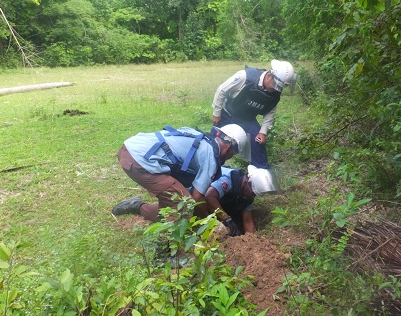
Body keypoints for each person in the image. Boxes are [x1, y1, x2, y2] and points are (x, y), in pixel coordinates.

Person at [112, 124, 250, 221]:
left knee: (173, 211)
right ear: (229, 147)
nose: (229, 157)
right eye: (233, 154)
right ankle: (166, 252)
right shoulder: (210, 157)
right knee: (184, 205)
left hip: (131, 148)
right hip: (139, 160)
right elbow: (197, 198)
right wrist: (208, 223)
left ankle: (137, 206)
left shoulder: (200, 137)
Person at [211, 59, 296, 168]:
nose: (276, 89)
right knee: (215, 142)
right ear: (269, 75)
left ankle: (261, 173)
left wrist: (263, 132)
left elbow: (270, 111)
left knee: (258, 142)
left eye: (279, 87)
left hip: (248, 119)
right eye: (275, 85)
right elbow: (222, 90)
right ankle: (211, 169)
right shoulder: (244, 77)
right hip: (227, 114)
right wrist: (217, 113)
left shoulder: (275, 92)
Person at [205, 165, 281, 236]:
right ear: (245, 183)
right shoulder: (229, 179)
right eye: (252, 193)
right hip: (203, 203)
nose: (252, 196)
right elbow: (209, 197)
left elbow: (247, 220)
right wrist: (227, 219)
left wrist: (251, 239)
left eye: (255, 195)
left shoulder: (248, 194)